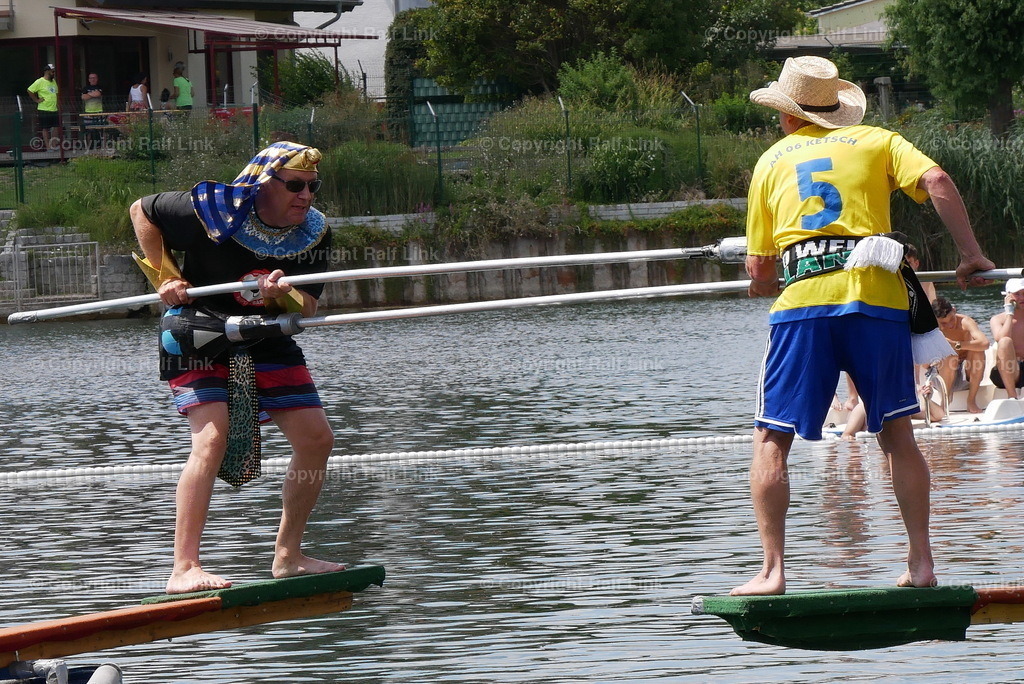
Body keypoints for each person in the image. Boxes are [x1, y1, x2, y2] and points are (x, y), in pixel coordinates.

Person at [734, 56, 994, 596]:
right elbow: (937, 179)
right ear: (838, 110)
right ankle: (921, 565)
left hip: (803, 308)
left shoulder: (770, 161)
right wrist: (970, 254)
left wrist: (762, 278)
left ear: (787, 116)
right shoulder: (878, 140)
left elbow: (760, 272)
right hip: (876, 303)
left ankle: (772, 572)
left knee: (771, 438)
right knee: (897, 433)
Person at [130, 141, 341, 594]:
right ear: (264, 183)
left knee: (317, 438)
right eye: (296, 186)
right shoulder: (210, 209)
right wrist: (166, 274)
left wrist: (278, 295)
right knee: (213, 437)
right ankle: (183, 567)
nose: (306, 196)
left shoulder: (316, 231)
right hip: (201, 330)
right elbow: (140, 210)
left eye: (312, 187)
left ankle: (288, 556)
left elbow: (306, 305)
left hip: (265, 334)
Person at [931, 296, 989, 413]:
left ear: (954, 310)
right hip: (941, 377)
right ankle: (945, 402)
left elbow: (985, 343)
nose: (950, 325)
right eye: (944, 323)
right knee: (950, 356)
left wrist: (956, 345)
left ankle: (971, 401)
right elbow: (924, 363)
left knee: (977, 351)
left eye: (951, 319)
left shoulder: (965, 322)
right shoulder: (932, 328)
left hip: (965, 375)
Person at [989, 278, 1024, 399]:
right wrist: (1009, 313)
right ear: (1008, 296)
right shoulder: (997, 319)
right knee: (1005, 341)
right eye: (1017, 294)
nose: (1022, 298)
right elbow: (1000, 339)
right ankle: (1012, 396)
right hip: (1007, 371)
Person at [27, 64, 59, 150]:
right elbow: (30, 90)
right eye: (52, 71)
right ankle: (48, 147)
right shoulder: (39, 81)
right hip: (44, 109)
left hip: (54, 108)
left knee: (55, 127)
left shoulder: (53, 81)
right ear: (47, 71)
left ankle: (54, 145)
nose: (53, 73)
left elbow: (55, 93)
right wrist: (36, 100)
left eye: (54, 71)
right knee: (45, 128)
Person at [80, 72, 105, 145]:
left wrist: (88, 94)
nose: (93, 79)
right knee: (88, 130)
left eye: (94, 78)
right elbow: (83, 97)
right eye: (91, 78)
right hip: (88, 112)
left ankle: (101, 145)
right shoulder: (85, 88)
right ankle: (89, 146)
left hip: (99, 111)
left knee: (101, 129)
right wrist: (93, 94)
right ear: (89, 79)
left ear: (97, 79)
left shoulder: (100, 87)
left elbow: (98, 94)